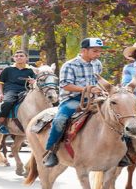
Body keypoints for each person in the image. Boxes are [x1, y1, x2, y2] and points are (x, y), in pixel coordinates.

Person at [42, 38, 130, 167]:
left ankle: (123, 151)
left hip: (95, 98)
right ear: (84, 50)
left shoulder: (97, 64)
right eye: (95, 51)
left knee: (120, 114)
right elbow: (65, 85)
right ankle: (52, 151)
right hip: (73, 99)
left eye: (99, 51)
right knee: (60, 120)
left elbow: (98, 81)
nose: (98, 54)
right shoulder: (69, 65)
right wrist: (86, 89)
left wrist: (105, 89)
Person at [0, 51, 36, 134]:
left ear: (26, 58)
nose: (19, 57)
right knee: (8, 102)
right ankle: (1, 123)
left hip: (26, 91)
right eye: (16, 56)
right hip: (11, 91)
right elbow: (0, 83)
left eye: (21, 56)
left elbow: (35, 83)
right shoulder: (7, 69)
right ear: (14, 58)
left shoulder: (31, 70)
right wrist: (0, 94)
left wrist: (33, 82)